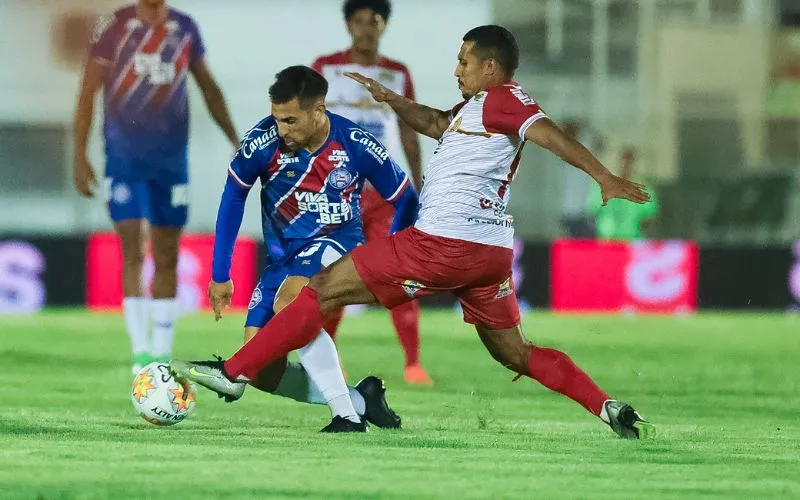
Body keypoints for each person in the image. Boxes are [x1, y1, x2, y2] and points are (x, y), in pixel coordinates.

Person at [172, 26, 656, 439]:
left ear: (490, 66)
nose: (456, 69)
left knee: (316, 292)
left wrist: (603, 176)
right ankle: (607, 406)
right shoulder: (476, 111)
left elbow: (547, 131)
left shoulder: (504, 99)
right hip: (488, 256)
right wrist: (391, 99)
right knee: (517, 353)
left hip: (443, 242)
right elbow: (435, 122)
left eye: (463, 60)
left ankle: (234, 373)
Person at [206, 65, 417, 432]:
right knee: (262, 370)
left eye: (290, 120)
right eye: (277, 119)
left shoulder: (354, 142)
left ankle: (346, 418)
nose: (281, 129)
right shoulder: (261, 141)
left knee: (290, 303)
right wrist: (220, 273)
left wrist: (396, 250)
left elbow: (405, 197)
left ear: (318, 110)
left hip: (338, 244)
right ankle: (360, 399)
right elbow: (233, 197)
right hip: (282, 259)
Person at [73, 0, 239, 375]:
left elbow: (209, 87)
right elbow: (88, 89)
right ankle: (140, 352)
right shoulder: (113, 25)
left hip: (171, 159)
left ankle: (161, 354)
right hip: (124, 156)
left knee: (168, 252)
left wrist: (235, 139)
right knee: (132, 247)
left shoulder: (185, 28)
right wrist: (79, 155)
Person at [311, 0, 431, 384]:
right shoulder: (326, 68)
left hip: (385, 195)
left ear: (384, 26)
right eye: (359, 21)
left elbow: (410, 130)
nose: (366, 29)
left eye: (374, 22)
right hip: (336, 193)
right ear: (348, 25)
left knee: (400, 276)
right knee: (332, 277)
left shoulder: (396, 74)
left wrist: (420, 183)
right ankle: (331, 363)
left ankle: (412, 364)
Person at [588, 147, 659, 241]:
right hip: (607, 240)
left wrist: (638, 231)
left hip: (632, 239)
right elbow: (592, 211)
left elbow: (650, 214)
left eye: (629, 161)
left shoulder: (643, 188)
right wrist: (602, 228)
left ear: (634, 163)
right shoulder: (602, 184)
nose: (625, 165)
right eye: (623, 160)